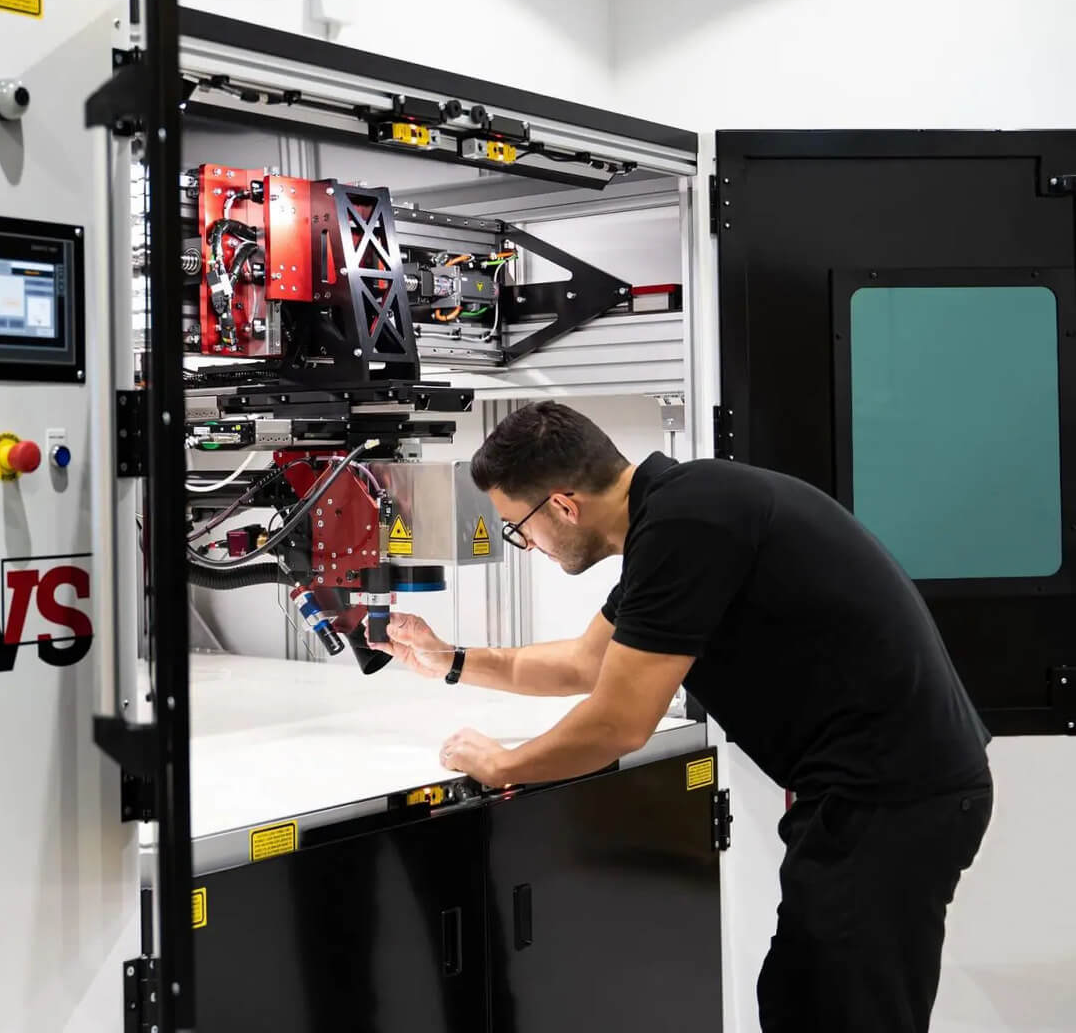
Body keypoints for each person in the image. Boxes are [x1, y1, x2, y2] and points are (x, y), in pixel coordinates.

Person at [371, 400, 991, 1033]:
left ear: (562, 504)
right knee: (801, 1001)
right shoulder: (678, 511)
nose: (526, 546)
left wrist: (503, 765)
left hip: (891, 800)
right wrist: (449, 659)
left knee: (839, 1014)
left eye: (517, 527)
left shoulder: (686, 527)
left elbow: (617, 722)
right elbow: (588, 662)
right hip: (879, 796)